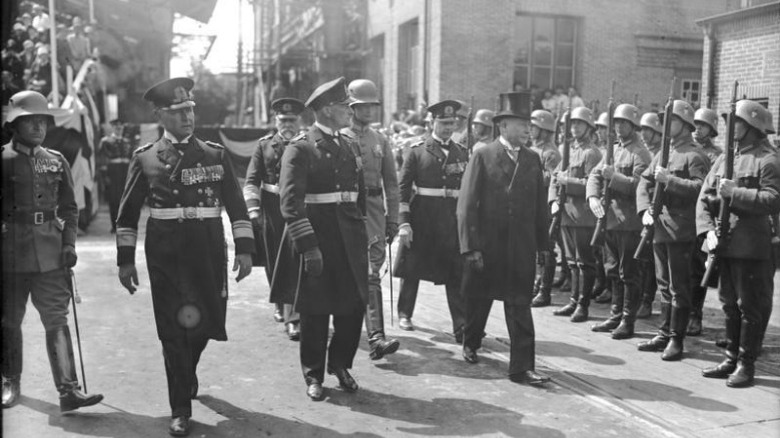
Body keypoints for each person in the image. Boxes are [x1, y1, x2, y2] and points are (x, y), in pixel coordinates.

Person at [115, 77, 254, 436]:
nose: (187, 117)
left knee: (204, 325)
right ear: (162, 115)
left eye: (190, 109)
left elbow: (237, 208)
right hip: (166, 255)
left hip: (207, 252)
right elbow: (127, 214)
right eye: (178, 112)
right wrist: (125, 260)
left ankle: (186, 371)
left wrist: (245, 250)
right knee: (173, 331)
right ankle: (180, 407)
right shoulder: (145, 158)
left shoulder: (214, 154)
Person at [2, 90, 104, 412]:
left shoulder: (56, 160)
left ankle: (68, 390)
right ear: (14, 124)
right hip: (9, 254)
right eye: (29, 121)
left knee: (56, 319)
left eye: (42, 122)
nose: (38, 128)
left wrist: (70, 243)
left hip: (50, 251)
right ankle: (10, 381)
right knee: (8, 321)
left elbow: (70, 209)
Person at [278, 77, 367, 401]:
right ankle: (313, 375)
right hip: (318, 239)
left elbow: (356, 196)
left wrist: (363, 234)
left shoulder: (349, 144)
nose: (350, 112)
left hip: (348, 240)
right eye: (345, 106)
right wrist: (308, 246)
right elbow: (289, 204)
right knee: (315, 312)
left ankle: (340, 364)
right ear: (328, 110)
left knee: (353, 306)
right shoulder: (301, 147)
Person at [458, 91, 551, 386]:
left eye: (529, 124)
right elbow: (466, 206)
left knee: (520, 306)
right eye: (522, 123)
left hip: (520, 249)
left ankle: (522, 367)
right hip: (487, 247)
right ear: (503, 126)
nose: (528, 129)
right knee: (479, 301)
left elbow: (540, 208)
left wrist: (544, 247)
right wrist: (471, 246)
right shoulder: (482, 155)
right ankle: (471, 342)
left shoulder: (533, 160)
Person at [699, 100, 779, 387]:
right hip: (725, 242)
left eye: (738, 123)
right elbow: (705, 193)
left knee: (750, 307)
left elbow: (773, 200)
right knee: (728, 304)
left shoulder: (768, 159)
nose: (732, 129)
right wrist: (707, 231)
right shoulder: (726, 158)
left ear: (753, 127)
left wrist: (736, 192)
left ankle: (746, 364)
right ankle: (731, 358)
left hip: (752, 245)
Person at [636, 100, 709, 361]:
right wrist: (644, 209)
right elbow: (644, 181)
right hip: (660, 227)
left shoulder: (695, 155)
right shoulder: (664, 152)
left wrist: (671, 180)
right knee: (663, 284)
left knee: (679, 286)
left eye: (672, 121)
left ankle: (677, 340)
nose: (667, 126)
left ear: (686, 125)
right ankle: (664, 332)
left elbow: (701, 189)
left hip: (681, 230)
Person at [393, 100, 468, 341]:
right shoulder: (416, 151)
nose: (448, 127)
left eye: (451, 123)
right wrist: (404, 223)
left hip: (451, 219)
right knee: (412, 268)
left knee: (455, 271)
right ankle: (405, 313)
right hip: (423, 217)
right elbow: (402, 190)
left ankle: (461, 322)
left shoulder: (463, 152)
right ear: (432, 123)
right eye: (443, 123)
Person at [342, 79, 401, 361]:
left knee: (371, 274)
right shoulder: (340, 137)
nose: (368, 110)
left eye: (371, 105)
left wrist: (394, 218)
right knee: (351, 277)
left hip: (375, 213)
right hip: (347, 212)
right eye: (362, 106)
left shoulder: (381, 140)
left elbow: (392, 183)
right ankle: (356, 330)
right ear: (351, 108)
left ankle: (376, 336)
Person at [587, 103, 652, 340]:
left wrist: (614, 178)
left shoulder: (640, 153)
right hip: (611, 219)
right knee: (612, 269)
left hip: (630, 221)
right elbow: (595, 174)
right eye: (616, 123)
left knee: (628, 272)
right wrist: (592, 195)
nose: (619, 126)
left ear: (633, 125)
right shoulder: (612, 149)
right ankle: (615, 314)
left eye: (623, 123)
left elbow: (641, 185)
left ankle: (627, 319)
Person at [244, 97, 305, 340]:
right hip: (272, 210)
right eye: (283, 120)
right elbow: (251, 181)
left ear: (299, 121)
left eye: (292, 120)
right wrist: (253, 210)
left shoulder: (308, 144)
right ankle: (280, 301)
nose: (288, 124)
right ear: (275, 120)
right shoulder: (264, 146)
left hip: (301, 209)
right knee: (273, 260)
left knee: (297, 260)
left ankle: (294, 315)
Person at [550, 107, 602, 322]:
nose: (574, 127)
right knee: (571, 261)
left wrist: (566, 182)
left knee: (584, 262)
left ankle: (583, 304)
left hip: (583, 215)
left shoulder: (592, 152)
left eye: (579, 124)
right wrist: (553, 200)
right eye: (572, 124)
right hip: (566, 213)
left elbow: (592, 183)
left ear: (589, 127)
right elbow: (555, 177)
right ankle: (573, 301)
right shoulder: (568, 150)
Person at [687, 107, 722, 336]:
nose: (698, 128)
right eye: (696, 124)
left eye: (703, 125)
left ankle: (695, 315)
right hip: (684, 217)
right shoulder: (686, 150)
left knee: (699, 270)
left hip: (703, 220)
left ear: (711, 129)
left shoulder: (716, 155)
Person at [529, 109, 562, 308]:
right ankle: (536, 284)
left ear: (544, 129)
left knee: (547, 249)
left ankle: (544, 291)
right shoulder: (533, 149)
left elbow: (552, 179)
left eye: (535, 127)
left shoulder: (550, 153)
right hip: (533, 204)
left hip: (546, 206)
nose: (531, 130)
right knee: (534, 249)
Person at [636, 111, 663, 319]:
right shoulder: (644, 151)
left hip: (660, 210)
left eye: (648, 130)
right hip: (644, 209)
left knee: (654, 262)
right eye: (643, 129)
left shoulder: (661, 152)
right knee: (643, 259)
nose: (644, 134)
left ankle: (647, 300)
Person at [98, 119, 133, 233]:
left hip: (125, 172)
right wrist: (105, 177)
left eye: (121, 126)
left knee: (126, 198)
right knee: (114, 200)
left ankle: (125, 224)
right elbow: (102, 161)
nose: (119, 128)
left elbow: (132, 160)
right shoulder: (106, 141)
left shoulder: (127, 142)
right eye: (116, 126)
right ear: (112, 128)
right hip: (113, 173)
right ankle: (115, 225)